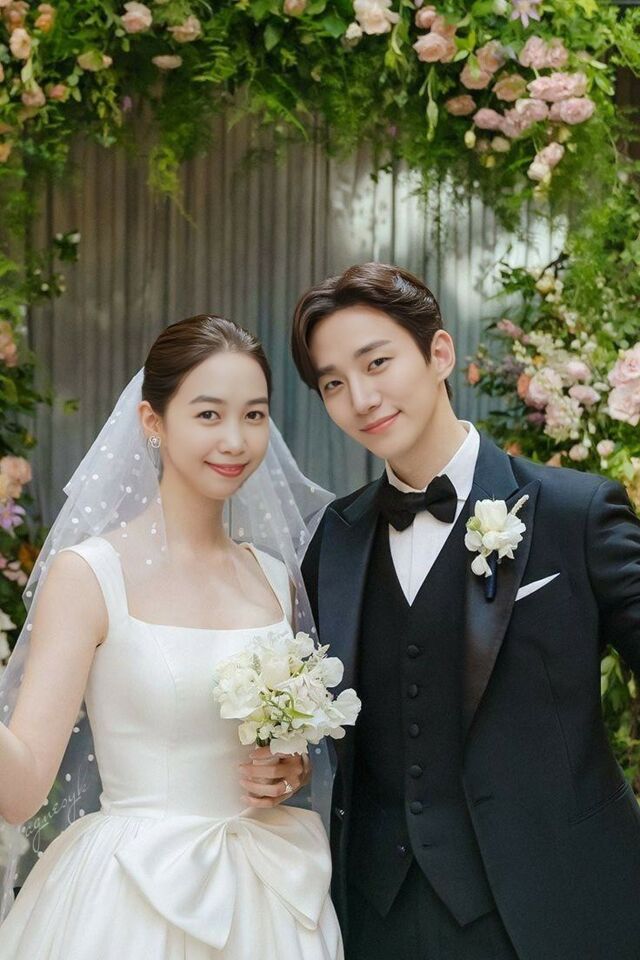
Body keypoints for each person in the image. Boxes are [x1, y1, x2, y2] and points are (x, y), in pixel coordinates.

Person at [291, 262, 640, 960]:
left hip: (558, 910)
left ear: (440, 354)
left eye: (377, 363)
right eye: (333, 383)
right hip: (378, 916)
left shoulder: (575, 513)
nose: (361, 398)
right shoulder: (334, 539)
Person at [0, 315, 342, 959]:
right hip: (131, 898)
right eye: (208, 414)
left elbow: (281, 748)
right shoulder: (90, 574)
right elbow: (20, 795)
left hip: (267, 893)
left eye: (254, 415)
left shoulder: (276, 578)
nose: (235, 440)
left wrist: (287, 769)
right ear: (152, 422)